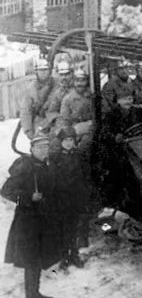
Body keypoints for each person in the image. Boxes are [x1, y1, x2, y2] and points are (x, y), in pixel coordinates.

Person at [2, 134, 61, 298]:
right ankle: (31, 294)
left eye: (46, 147)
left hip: (45, 217)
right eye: (40, 148)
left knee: (39, 256)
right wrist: (28, 197)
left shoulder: (48, 164)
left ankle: (34, 292)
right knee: (32, 259)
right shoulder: (25, 166)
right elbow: (6, 191)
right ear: (32, 149)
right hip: (28, 220)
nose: (44, 151)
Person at [51, 126, 90, 269]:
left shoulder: (79, 155)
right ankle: (64, 257)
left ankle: (74, 255)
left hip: (77, 196)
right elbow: (53, 179)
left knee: (74, 227)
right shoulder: (55, 158)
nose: (68, 143)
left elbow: (86, 175)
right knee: (63, 228)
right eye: (65, 140)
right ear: (60, 142)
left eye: (71, 140)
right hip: (61, 197)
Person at [54, 68, 95, 154]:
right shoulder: (68, 99)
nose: (80, 83)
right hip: (74, 131)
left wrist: (91, 123)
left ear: (87, 81)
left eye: (83, 80)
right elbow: (63, 121)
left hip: (92, 129)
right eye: (77, 80)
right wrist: (73, 131)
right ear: (73, 82)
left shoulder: (93, 97)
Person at [20, 60, 55, 140]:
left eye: (45, 70)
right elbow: (25, 111)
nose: (43, 72)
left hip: (56, 119)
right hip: (40, 121)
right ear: (36, 71)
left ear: (50, 70)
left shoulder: (57, 84)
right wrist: (28, 130)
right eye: (40, 70)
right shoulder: (30, 89)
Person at [41, 60, 74, 134]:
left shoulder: (78, 88)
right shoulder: (57, 93)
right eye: (61, 75)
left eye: (67, 74)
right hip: (62, 123)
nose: (64, 77)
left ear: (72, 74)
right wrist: (57, 119)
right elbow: (51, 111)